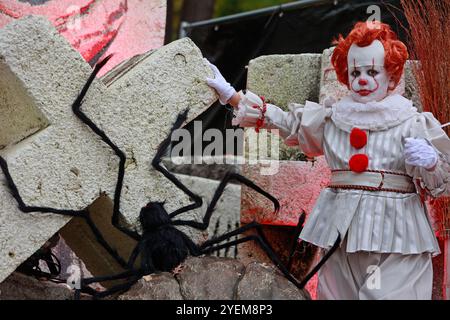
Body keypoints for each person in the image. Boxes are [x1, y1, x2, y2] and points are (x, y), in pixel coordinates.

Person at [205, 21, 450, 300]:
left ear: (391, 77)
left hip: (399, 233)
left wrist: (431, 163)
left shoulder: (413, 123)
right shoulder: (333, 119)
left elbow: (443, 183)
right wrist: (233, 97)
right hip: (341, 229)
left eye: (372, 71)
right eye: (355, 72)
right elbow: (287, 123)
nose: (362, 79)